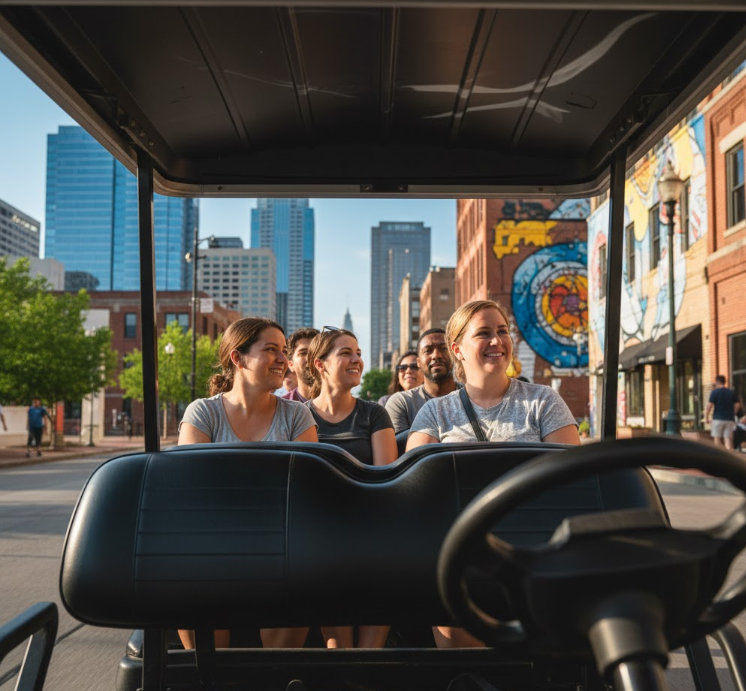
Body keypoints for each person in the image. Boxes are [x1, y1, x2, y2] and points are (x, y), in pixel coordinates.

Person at [406, 300, 579, 649]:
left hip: (535, 549)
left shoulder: (543, 401)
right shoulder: (435, 412)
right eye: (483, 333)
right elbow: (412, 490)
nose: (497, 341)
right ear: (457, 349)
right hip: (460, 552)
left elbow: (573, 481)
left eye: (502, 331)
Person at [178, 316, 318, 651]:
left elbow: (309, 489)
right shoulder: (203, 413)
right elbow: (190, 491)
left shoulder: (297, 415)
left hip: (279, 542)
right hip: (214, 545)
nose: (283, 359)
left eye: (284, 350)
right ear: (238, 359)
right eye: (271, 350)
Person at [305, 327, 397, 648]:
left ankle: (370, 664)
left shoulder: (373, 413)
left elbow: (387, 480)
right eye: (346, 353)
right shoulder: (298, 414)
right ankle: (339, 660)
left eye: (358, 353)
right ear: (320, 364)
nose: (357, 359)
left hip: (369, 523)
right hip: (321, 528)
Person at [385, 329, 459, 434]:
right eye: (428, 351)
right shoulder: (401, 402)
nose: (436, 355)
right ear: (419, 362)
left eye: (444, 348)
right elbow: (402, 448)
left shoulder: (472, 396)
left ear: (455, 355)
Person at [282, 327, 320, 402]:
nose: (310, 358)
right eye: (303, 353)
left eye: (316, 352)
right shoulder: (280, 408)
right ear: (291, 364)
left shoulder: (345, 405)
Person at [706, 375, 740, 449]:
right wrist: (734, 413)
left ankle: (720, 457)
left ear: (717, 382)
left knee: (717, 440)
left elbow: (709, 406)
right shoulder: (731, 392)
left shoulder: (714, 392)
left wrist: (706, 417)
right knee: (728, 440)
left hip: (718, 419)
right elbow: (737, 405)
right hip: (729, 419)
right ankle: (730, 457)